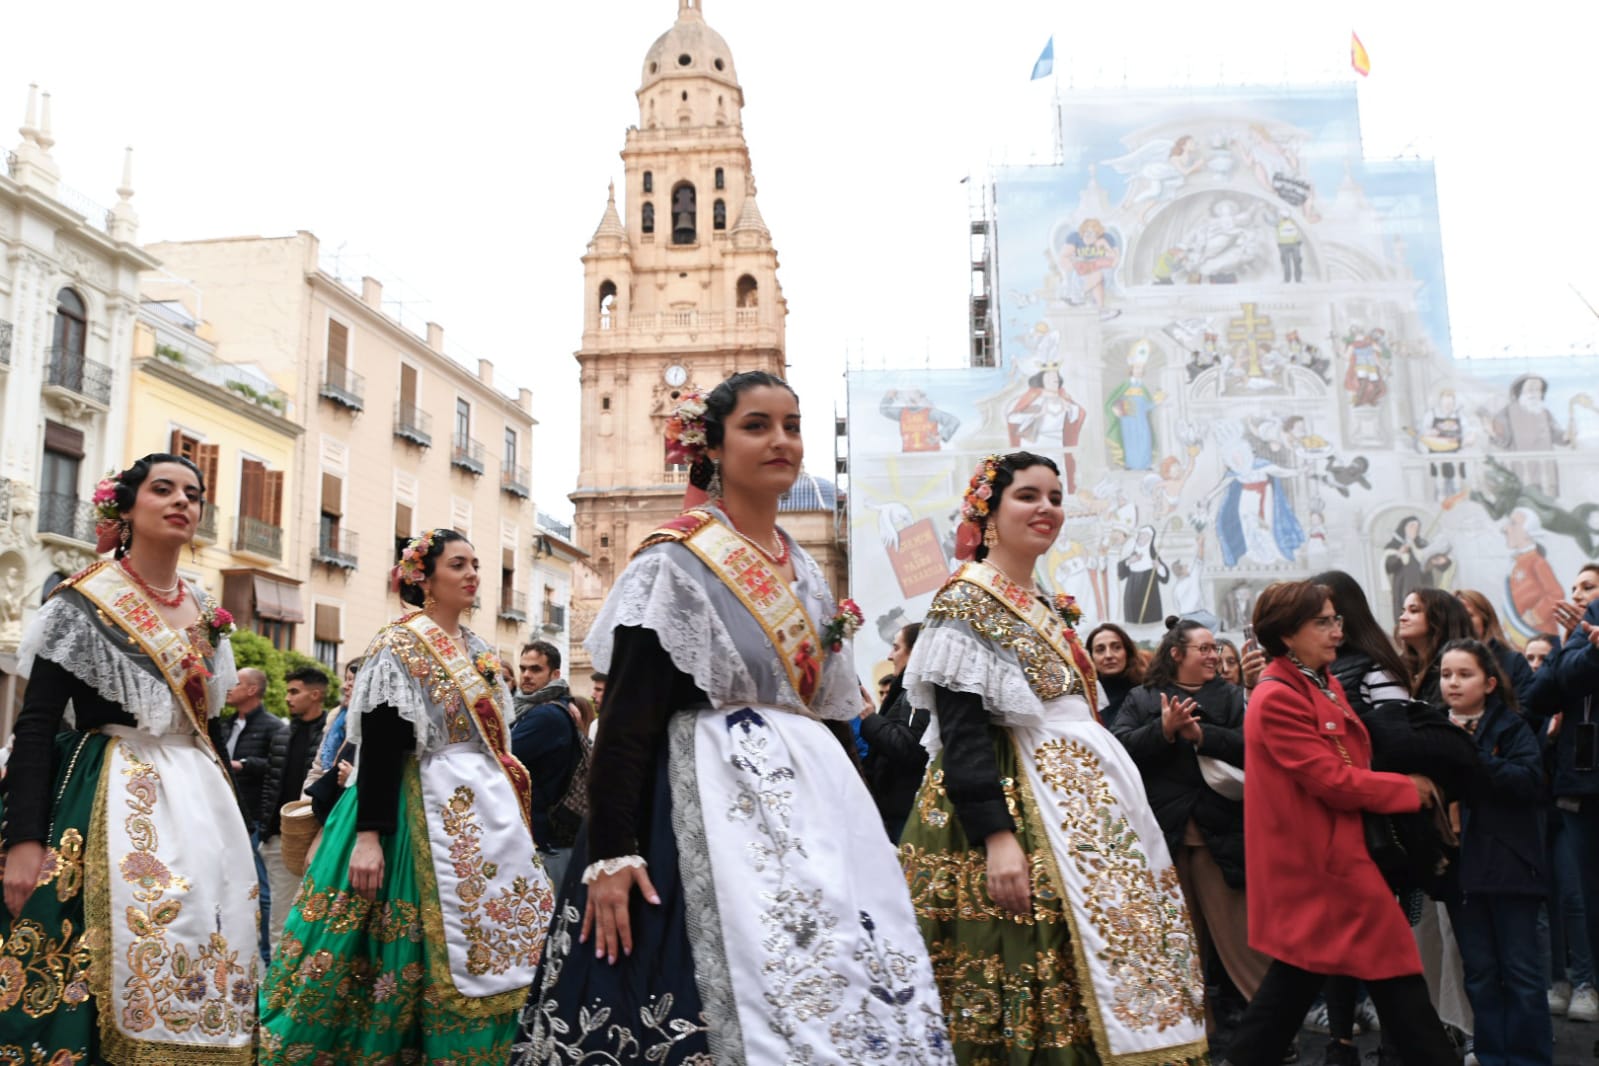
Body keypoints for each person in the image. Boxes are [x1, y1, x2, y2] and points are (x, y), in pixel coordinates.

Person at [508, 372, 951, 1063]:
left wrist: (862, 838)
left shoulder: (804, 573)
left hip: (811, 817)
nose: (781, 440)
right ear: (710, 446)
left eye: (792, 425)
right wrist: (612, 854)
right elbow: (624, 724)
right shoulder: (674, 564)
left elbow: (834, 722)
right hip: (695, 810)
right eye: (756, 425)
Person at [902, 451, 1206, 1065]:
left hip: (1083, 812)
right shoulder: (967, 599)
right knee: (1027, 962)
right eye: (1028, 496)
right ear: (988, 511)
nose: (1046, 509)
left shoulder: (1041, 601)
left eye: (1055, 497)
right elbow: (962, 733)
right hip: (1019, 812)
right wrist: (997, 837)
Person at [258, 529, 553, 1063]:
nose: (472, 574)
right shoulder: (399, 645)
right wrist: (369, 836)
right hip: (412, 807)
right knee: (385, 941)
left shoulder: (480, 649)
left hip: (481, 815)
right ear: (425, 578)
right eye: (458, 564)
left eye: (476, 564)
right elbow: (382, 744)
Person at [0, 453, 257, 1063]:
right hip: (107, 792)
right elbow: (35, 726)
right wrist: (24, 839)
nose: (181, 503)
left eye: (192, 494)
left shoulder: (204, 609)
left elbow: (211, 728)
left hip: (201, 801)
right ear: (127, 506)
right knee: (96, 958)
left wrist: (238, 824)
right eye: (163, 489)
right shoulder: (82, 603)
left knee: (207, 946)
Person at [1220, 581, 1458, 1065]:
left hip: (1333, 861)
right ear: (1287, 634)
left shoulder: (1316, 680)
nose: (1336, 630)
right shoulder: (1280, 695)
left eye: (1336, 619)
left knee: (1297, 988)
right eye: (1323, 622)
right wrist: (1408, 791)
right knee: (1391, 976)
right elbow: (1331, 780)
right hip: (1321, 867)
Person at [1113, 617, 1267, 1037]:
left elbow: (1257, 749)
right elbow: (1118, 750)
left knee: (1246, 942)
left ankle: (1270, 1032)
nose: (1214, 655)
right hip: (1167, 836)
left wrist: (1204, 735)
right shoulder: (1143, 699)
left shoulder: (1234, 698)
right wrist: (1162, 731)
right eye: (1203, 648)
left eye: (1215, 648)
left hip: (1225, 834)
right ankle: (1196, 1033)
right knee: (1180, 944)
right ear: (1176, 653)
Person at [1437, 639, 1552, 1066]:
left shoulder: (1511, 726)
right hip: (1460, 870)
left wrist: (1471, 756)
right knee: (1481, 974)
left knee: (1521, 973)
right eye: (1446, 674)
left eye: (1464, 674)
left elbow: (1529, 781)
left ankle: (1530, 1058)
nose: (1453, 683)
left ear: (1488, 683)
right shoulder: (1433, 725)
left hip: (1511, 866)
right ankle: (1491, 1055)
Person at [212, 663, 286, 964]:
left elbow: (276, 767)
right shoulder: (224, 724)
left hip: (253, 815)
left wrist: (246, 764)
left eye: (236, 683)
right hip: (221, 814)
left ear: (252, 689)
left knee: (261, 889)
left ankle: (266, 957)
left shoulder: (273, 727)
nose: (228, 688)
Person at [257, 664, 330, 949]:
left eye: (294, 691)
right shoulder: (282, 734)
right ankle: (275, 983)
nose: (288, 697)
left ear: (315, 695)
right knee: (279, 915)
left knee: (312, 916)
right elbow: (270, 786)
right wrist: (266, 828)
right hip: (279, 837)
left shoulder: (329, 735)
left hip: (317, 838)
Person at [509, 639, 590, 889]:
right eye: (522, 668)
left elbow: (501, 756)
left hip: (547, 838)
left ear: (555, 674)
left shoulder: (545, 715)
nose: (526, 675)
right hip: (550, 836)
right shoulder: (543, 708)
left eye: (535, 670)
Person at [861, 622, 930, 842]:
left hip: (906, 814)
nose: (890, 656)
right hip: (895, 810)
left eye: (897, 647)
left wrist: (870, 719)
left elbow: (909, 747)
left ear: (914, 651)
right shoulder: (906, 690)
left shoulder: (917, 689)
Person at [1457, 588, 1538, 707]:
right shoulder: (1438, 664)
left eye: (1468, 615)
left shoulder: (1514, 663)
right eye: (1456, 616)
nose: (1462, 621)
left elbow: (1528, 713)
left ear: (1485, 620)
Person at [1396, 587, 1476, 705]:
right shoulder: (1400, 667)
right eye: (1403, 611)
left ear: (1439, 618)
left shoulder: (1461, 666)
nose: (1402, 618)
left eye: (1414, 611)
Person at [1086, 621, 1144, 729]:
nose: (1108, 655)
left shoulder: (1146, 691)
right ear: (1091, 658)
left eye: (1116, 647)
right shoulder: (1086, 698)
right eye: (1100, 650)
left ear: (1127, 652)